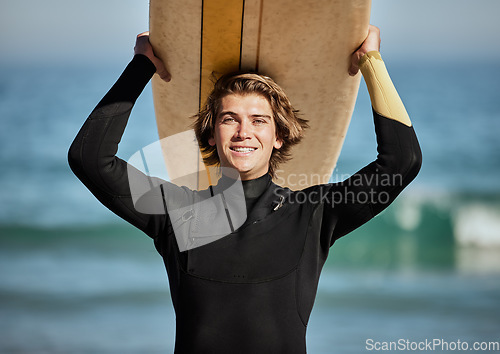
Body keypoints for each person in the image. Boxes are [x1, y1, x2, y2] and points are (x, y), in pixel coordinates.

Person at [68, 25, 421, 353]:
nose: (243, 132)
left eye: (259, 120)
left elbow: (401, 162)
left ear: (278, 136)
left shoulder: (313, 213)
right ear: (211, 135)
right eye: (229, 119)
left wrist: (371, 63)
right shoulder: (177, 213)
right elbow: (89, 158)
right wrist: (142, 64)